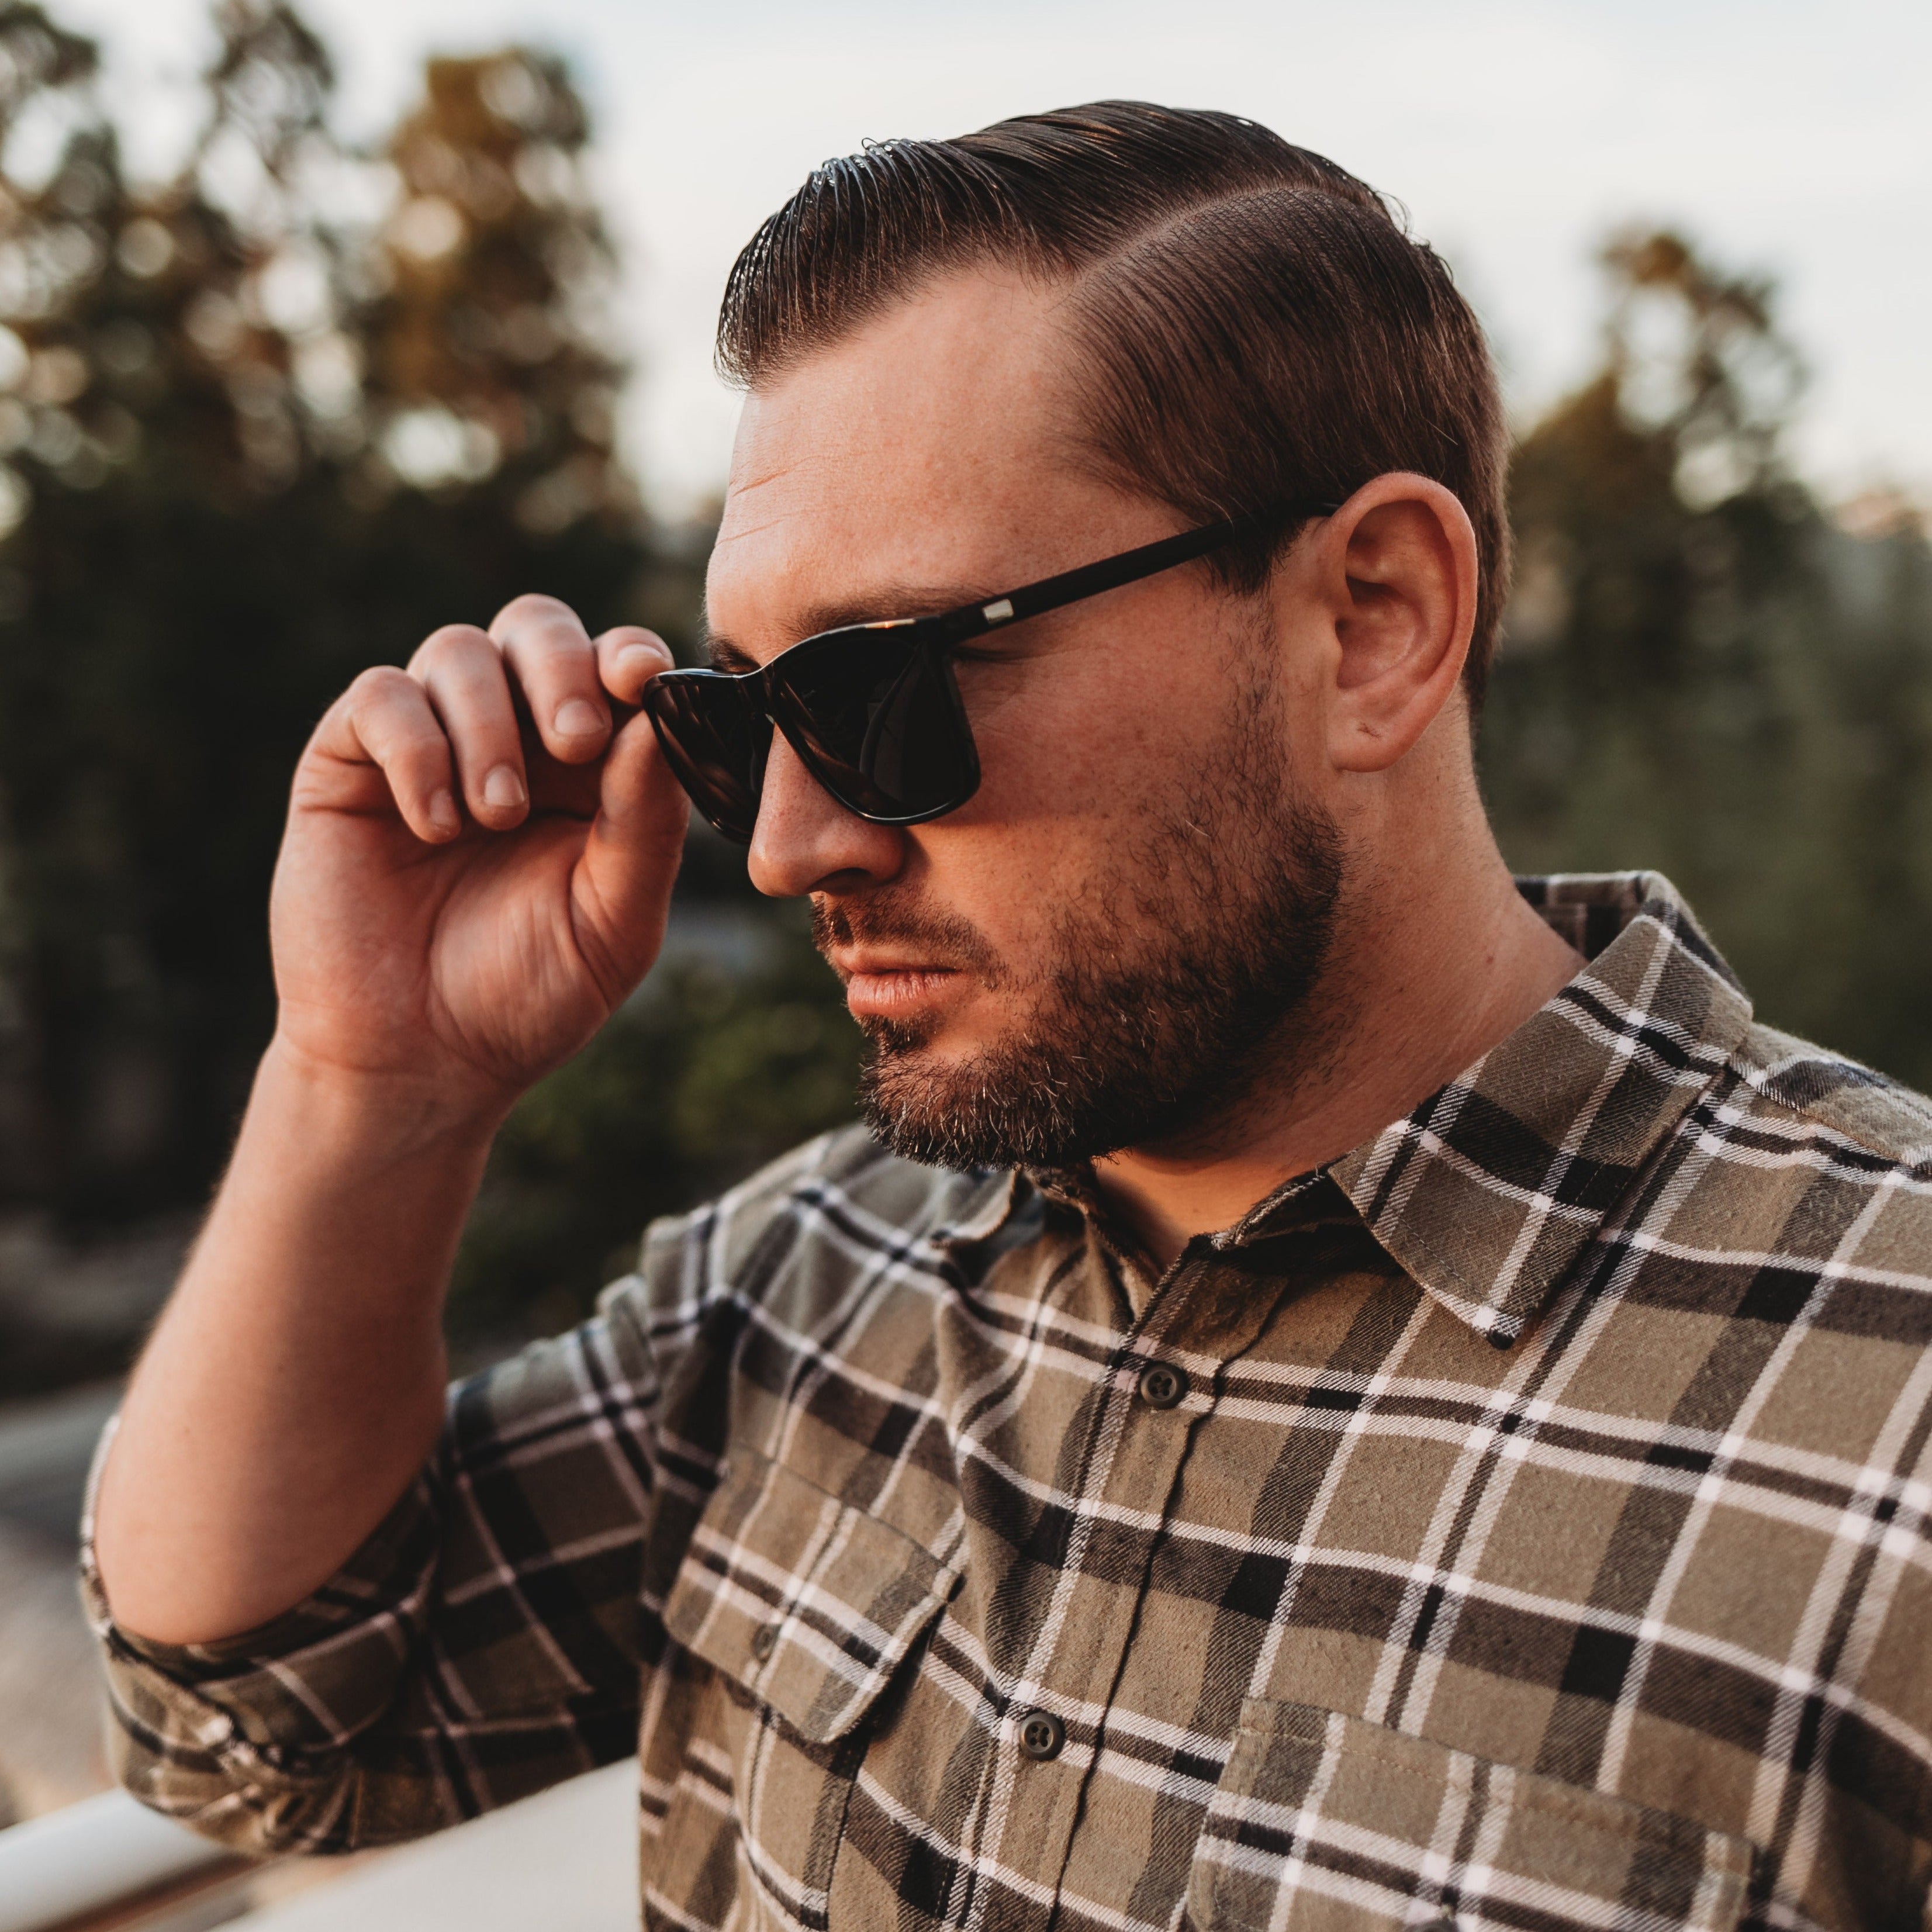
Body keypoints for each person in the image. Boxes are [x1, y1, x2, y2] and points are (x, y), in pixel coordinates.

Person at [85, 103, 1932, 1932]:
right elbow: (254, 1717)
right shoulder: (802, 1277)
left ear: (1372, 617)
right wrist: (371, 1082)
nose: (793, 842)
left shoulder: (1890, 1419)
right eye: (742, 721)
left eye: (886, 687)